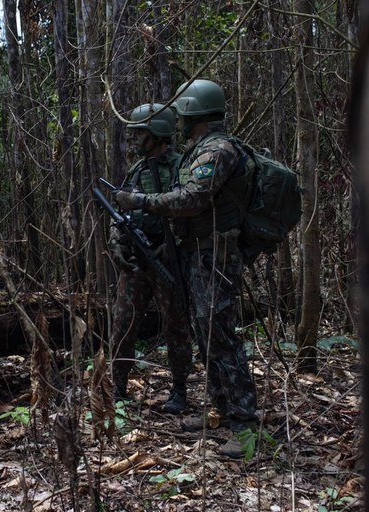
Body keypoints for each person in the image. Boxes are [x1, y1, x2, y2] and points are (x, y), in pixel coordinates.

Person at [114, 80, 258, 457]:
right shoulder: (201, 149)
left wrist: (143, 202)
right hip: (199, 255)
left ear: (194, 110)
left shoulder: (218, 149)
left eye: (182, 110)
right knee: (207, 333)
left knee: (221, 336)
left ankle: (243, 426)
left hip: (215, 257)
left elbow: (193, 199)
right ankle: (224, 411)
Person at [108, 103, 192, 414]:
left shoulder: (182, 167)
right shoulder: (138, 169)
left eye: (140, 132)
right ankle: (117, 388)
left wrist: (170, 250)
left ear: (157, 134)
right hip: (135, 259)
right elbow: (120, 210)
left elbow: (190, 210)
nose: (134, 138)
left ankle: (180, 390)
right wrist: (115, 242)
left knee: (176, 326)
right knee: (123, 322)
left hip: (168, 261)